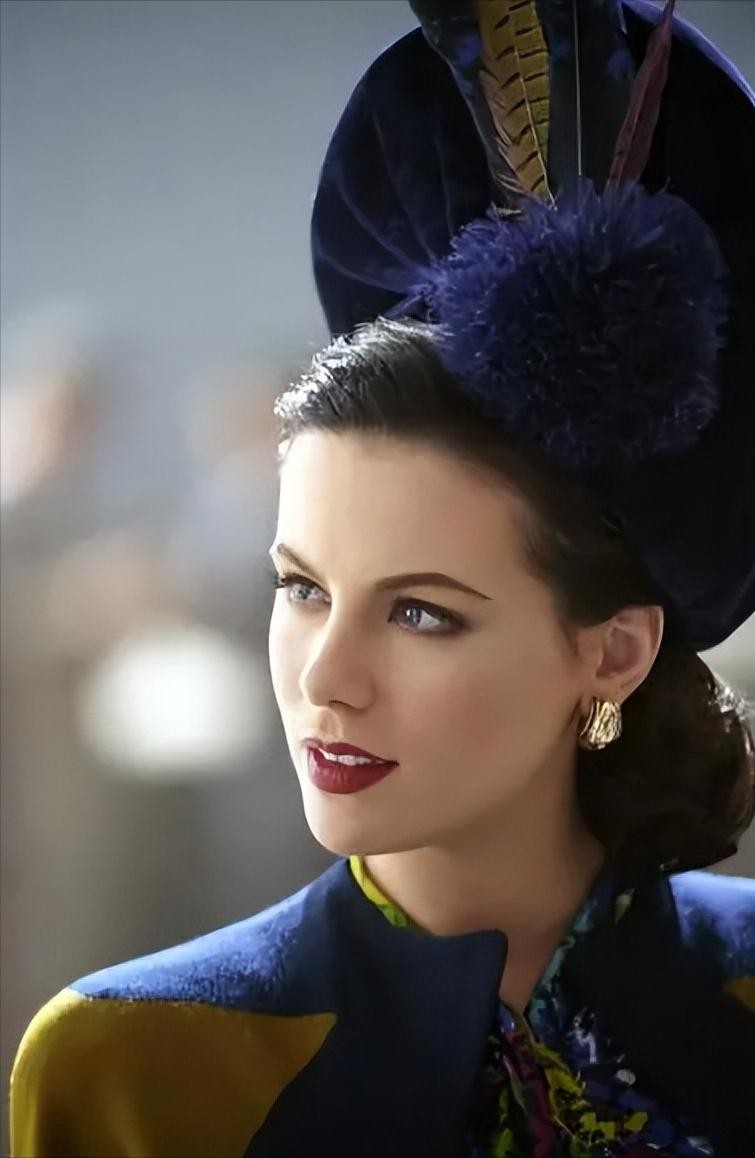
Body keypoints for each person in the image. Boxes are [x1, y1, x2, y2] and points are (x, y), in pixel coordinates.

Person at [9, 1, 755, 1155]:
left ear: (611, 652)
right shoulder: (131, 1064)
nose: (326, 678)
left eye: (419, 612)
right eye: (300, 588)